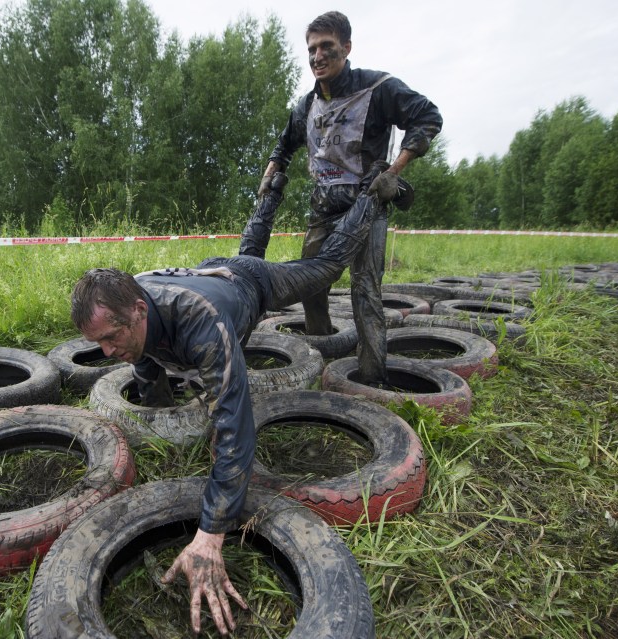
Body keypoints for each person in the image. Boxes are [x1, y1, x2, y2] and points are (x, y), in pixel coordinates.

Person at [70, 183, 385, 634]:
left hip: (252, 283)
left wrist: (210, 534)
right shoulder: (131, 313)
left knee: (323, 268)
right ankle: (270, 188)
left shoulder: (201, 327)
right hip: (211, 273)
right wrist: (153, 405)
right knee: (246, 247)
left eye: (110, 338)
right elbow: (144, 358)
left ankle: (372, 197)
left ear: (138, 311)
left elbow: (236, 427)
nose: (104, 352)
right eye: (95, 342)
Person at [240, 10, 442, 384]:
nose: (318, 56)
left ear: (346, 48)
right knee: (309, 286)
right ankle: (320, 355)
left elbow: (428, 117)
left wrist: (393, 173)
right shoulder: (306, 105)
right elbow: (283, 146)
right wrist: (269, 175)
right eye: (312, 49)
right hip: (323, 208)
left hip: (366, 207)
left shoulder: (378, 88)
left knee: (365, 292)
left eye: (327, 47)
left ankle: (371, 378)